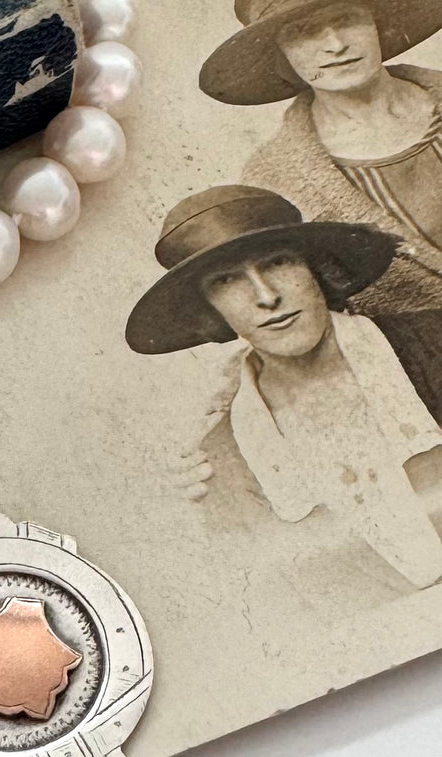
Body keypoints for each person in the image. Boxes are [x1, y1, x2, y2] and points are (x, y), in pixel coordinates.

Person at [125, 184, 442, 588]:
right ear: (210, 309)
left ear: (316, 268)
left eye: (278, 262)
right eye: (226, 280)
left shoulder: (434, 341)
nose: (266, 296)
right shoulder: (222, 463)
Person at [199, 0, 442, 315]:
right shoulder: (275, 181)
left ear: (378, 24)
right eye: (304, 31)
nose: (336, 45)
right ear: (280, 54)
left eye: (346, 19)